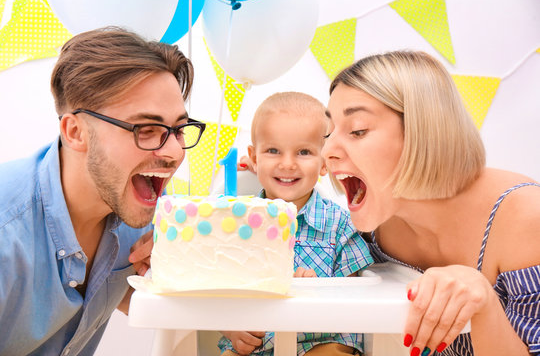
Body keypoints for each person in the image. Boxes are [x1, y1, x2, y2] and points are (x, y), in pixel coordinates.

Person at [0, 27, 206, 355]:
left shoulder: (145, 212)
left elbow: (144, 299)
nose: (174, 153)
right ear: (75, 131)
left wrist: (176, 267)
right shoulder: (7, 231)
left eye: (179, 130)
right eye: (147, 129)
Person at [322, 50, 540, 356]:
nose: (327, 150)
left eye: (357, 130)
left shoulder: (526, 218)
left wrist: (485, 305)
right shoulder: (373, 228)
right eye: (327, 133)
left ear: (421, 131)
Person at [219, 92, 373, 356]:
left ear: (325, 162)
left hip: (321, 342)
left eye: (303, 152)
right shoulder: (235, 222)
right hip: (257, 347)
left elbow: (355, 301)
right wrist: (230, 327)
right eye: (273, 151)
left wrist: (317, 291)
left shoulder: (340, 224)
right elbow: (216, 288)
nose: (287, 163)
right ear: (254, 159)